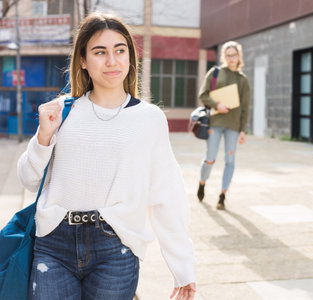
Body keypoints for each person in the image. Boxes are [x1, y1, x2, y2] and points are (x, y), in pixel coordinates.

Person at [17, 13, 196, 300]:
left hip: (116, 249)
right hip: (53, 244)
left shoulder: (149, 119)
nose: (112, 61)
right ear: (83, 61)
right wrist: (43, 138)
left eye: (120, 50)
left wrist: (183, 267)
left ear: (129, 57)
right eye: (100, 52)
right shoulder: (62, 111)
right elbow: (28, 179)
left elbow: (167, 194)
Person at [196, 41, 251, 210]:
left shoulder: (243, 80)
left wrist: (242, 130)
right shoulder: (215, 73)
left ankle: (222, 195)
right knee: (210, 158)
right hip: (216, 122)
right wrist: (216, 105)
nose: (231, 58)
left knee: (230, 161)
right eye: (228, 55)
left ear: (239, 56)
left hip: (233, 126)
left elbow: (245, 107)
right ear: (224, 57)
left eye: (234, 55)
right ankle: (202, 182)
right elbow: (203, 94)